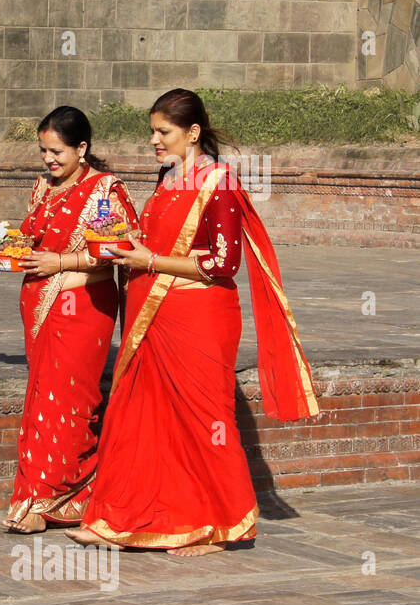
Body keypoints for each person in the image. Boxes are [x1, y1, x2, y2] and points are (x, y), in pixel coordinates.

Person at [66, 89, 319, 556]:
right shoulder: (169, 175)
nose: (154, 141)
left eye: (163, 132)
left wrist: (150, 259)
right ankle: (118, 519)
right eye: (152, 132)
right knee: (140, 413)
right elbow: (158, 239)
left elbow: (224, 264)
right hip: (154, 311)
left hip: (198, 316)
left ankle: (224, 526)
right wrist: (122, 240)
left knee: (206, 420)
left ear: (193, 132)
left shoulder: (217, 182)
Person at [4, 106, 138, 533]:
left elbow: (117, 250)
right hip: (39, 304)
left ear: (82, 148)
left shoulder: (104, 191)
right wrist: (7, 246)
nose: (49, 159)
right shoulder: (44, 187)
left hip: (82, 308)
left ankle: (61, 496)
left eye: (57, 151)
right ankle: (39, 495)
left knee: (70, 402)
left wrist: (59, 261)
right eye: (44, 150)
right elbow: (32, 234)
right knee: (43, 401)